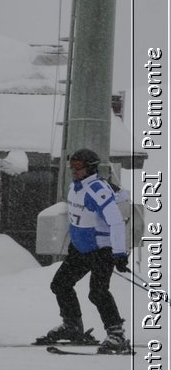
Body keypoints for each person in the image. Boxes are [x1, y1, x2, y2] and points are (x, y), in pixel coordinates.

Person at [37, 147, 132, 353]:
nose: (74, 170)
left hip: (101, 251)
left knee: (97, 293)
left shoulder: (96, 190)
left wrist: (119, 253)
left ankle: (117, 335)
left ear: (90, 168)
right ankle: (72, 327)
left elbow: (115, 222)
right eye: (72, 166)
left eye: (78, 166)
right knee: (60, 284)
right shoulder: (75, 187)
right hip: (80, 250)